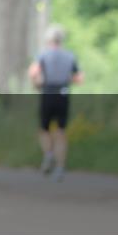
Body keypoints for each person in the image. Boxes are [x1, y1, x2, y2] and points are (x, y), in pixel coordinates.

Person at [27, 24, 83, 182]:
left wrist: (37, 84)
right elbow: (79, 78)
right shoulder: (70, 56)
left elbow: (33, 72)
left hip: (48, 92)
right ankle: (60, 167)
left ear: (48, 40)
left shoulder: (43, 55)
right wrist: (65, 79)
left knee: (44, 129)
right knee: (61, 131)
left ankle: (48, 154)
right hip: (63, 92)